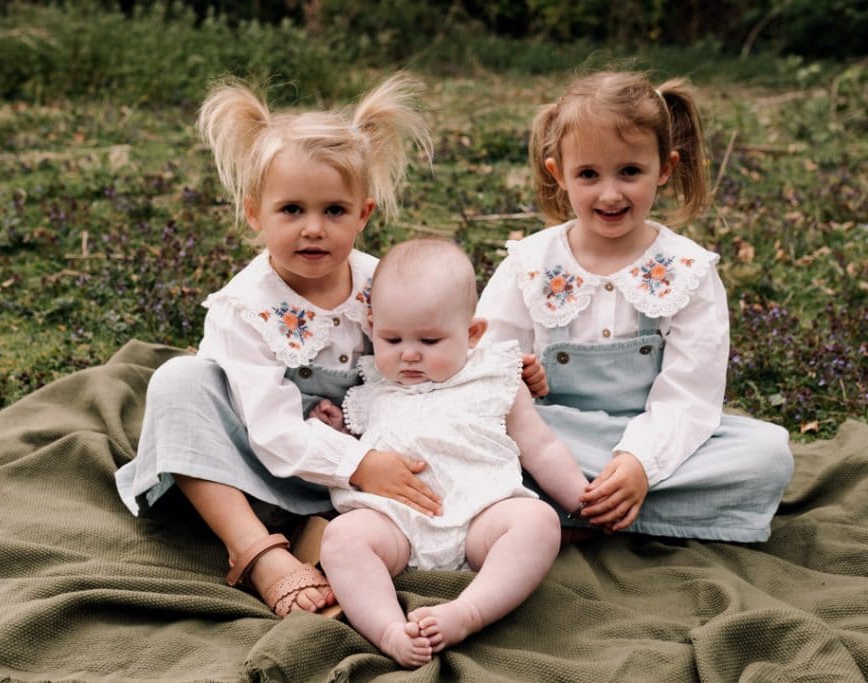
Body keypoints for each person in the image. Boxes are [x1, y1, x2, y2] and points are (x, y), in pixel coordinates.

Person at [114, 73, 440, 618]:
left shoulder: (383, 283)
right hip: (250, 471)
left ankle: (334, 541)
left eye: (333, 211)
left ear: (363, 214)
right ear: (254, 213)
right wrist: (359, 461)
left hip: (355, 474)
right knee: (178, 380)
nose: (313, 228)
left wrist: (497, 366)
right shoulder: (245, 306)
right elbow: (268, 430)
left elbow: (433, 352)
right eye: (291, 210)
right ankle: (257, 552)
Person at [477, 71, 794, 543]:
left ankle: (577, 506)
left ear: (664, 169)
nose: (610, 194)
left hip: (656, 440)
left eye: (630, 171)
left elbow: (690, 394)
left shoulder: (686, 270)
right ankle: (601, 504)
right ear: (557, 174)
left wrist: (639, 463)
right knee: (481, 442)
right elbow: (484, 365)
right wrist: (515, 373)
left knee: (768, 455)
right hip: (551, 438)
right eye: (588, 174)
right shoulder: (529, 265)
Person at [314, 238, 590, 668]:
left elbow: (541, 445)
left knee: (538, 522)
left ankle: (468, 612)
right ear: (372, 326)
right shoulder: (371, 390)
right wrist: (336, 428)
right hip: (395, 525)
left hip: (481, 516)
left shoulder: (496, 377)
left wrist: (581, 497)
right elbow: (353, 453)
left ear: (472, 333)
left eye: (429, 340)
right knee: (342, 539)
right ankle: (389, 629)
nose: (408, 353)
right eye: (391, 338)